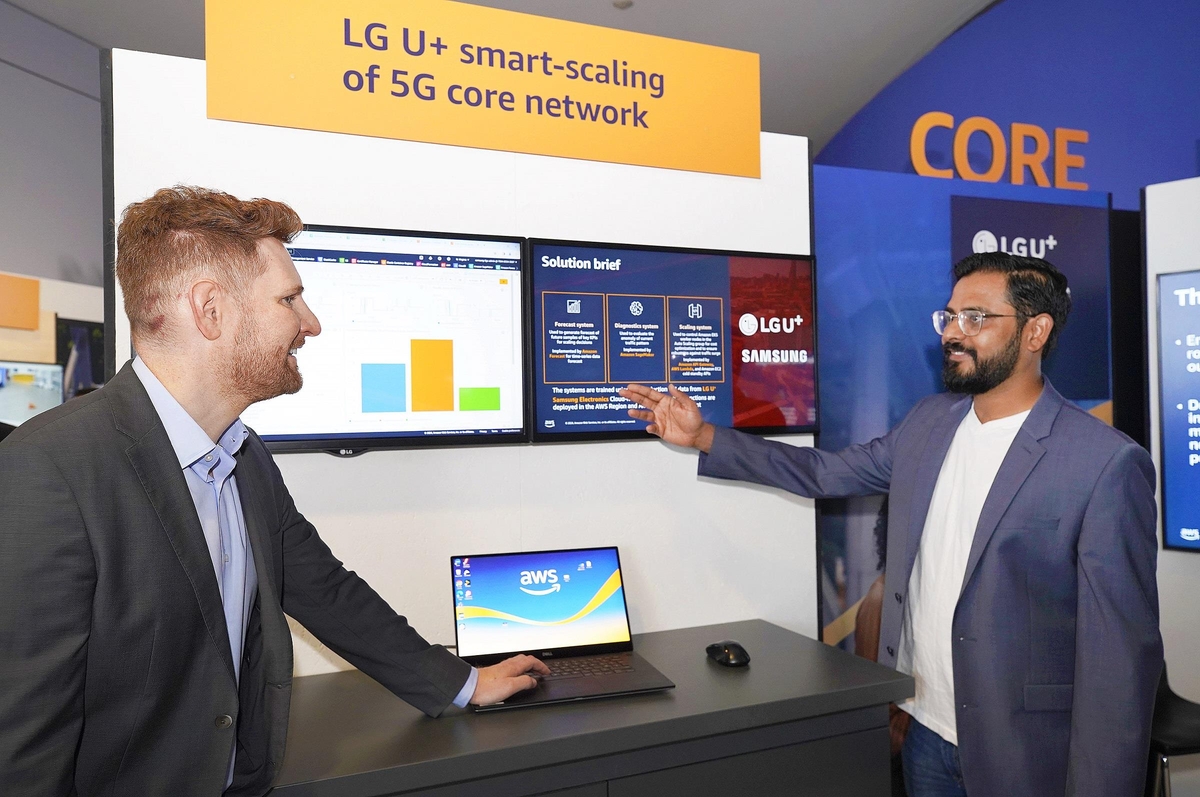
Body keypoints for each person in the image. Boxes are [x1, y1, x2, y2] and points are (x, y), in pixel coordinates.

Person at [0, 187, 548, 796]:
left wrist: (464, 684)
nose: (310, 323)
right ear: (210, 310)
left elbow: (324, 590)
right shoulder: (50, 468)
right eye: (289, 299)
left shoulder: (244, 454)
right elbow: (25, 741)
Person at [620, 252, 1161, 797]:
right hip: (924, 733)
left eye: (975, 318)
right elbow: (824, 472)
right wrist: (703, 437)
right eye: (949, 316)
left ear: (1035, 332)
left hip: (1024, 751)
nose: (952, 333)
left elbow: (1119, 662)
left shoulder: (1104, 463)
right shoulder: (930, 421)